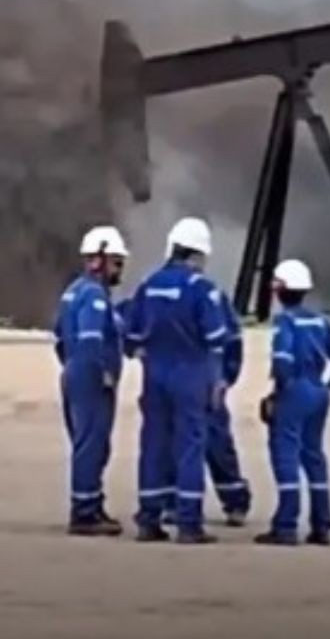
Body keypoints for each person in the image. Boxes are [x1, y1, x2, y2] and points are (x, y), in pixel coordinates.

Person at [126, 217, 231, 544]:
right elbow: (217, 339)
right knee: (190, 447)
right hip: (191, 375)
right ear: (199, 255)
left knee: (153, 445)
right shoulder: (203, 290)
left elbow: (130, 334)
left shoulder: (149, 284)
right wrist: (217, 381)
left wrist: (144, 352)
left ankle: (148, 520)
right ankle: (189, 524)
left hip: (155, 375)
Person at [255, 259, 330, 547]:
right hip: (318, 392)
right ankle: (321, 524)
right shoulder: (320, 320)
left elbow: (283, 359)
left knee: (285, 454)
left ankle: (286, 525)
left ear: (279, 289)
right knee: (314, 455)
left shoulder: (285, 322)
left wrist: (277, 393)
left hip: (294, 392)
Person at [52, 225, 130, 535]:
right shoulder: (94, 296)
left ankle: (92, 503)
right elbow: (91, 339)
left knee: (89, 443)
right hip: (91, 378)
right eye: (116, 262)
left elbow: (59, 337)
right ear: (98, 260)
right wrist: (101, 372)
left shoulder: (72, 292)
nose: (119, 270)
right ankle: (84, 512)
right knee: (91, 444)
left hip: (74, 371)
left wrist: (71, 366)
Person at [206, 288, 253, 526]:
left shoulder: (211, 295)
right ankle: (173, 502)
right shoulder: (155, 289)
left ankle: (235, 499)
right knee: (173, 444)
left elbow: (233, 339)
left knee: (217, 442)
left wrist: (226, 377)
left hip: (206, 380)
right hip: (182, 382)